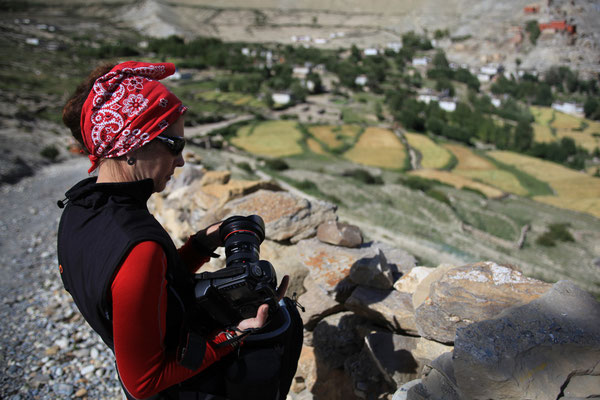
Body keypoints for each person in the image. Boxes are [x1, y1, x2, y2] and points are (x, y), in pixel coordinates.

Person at [57, 61, 303, 400]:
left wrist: (200, 245)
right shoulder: (137, 247)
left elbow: (145, 289)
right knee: (281, 323)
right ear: (131, 144)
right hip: (177, 387)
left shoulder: (81, 208)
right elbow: (143, 383)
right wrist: (233, 334)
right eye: (175, 145)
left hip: (151, 349)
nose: (182, 161)